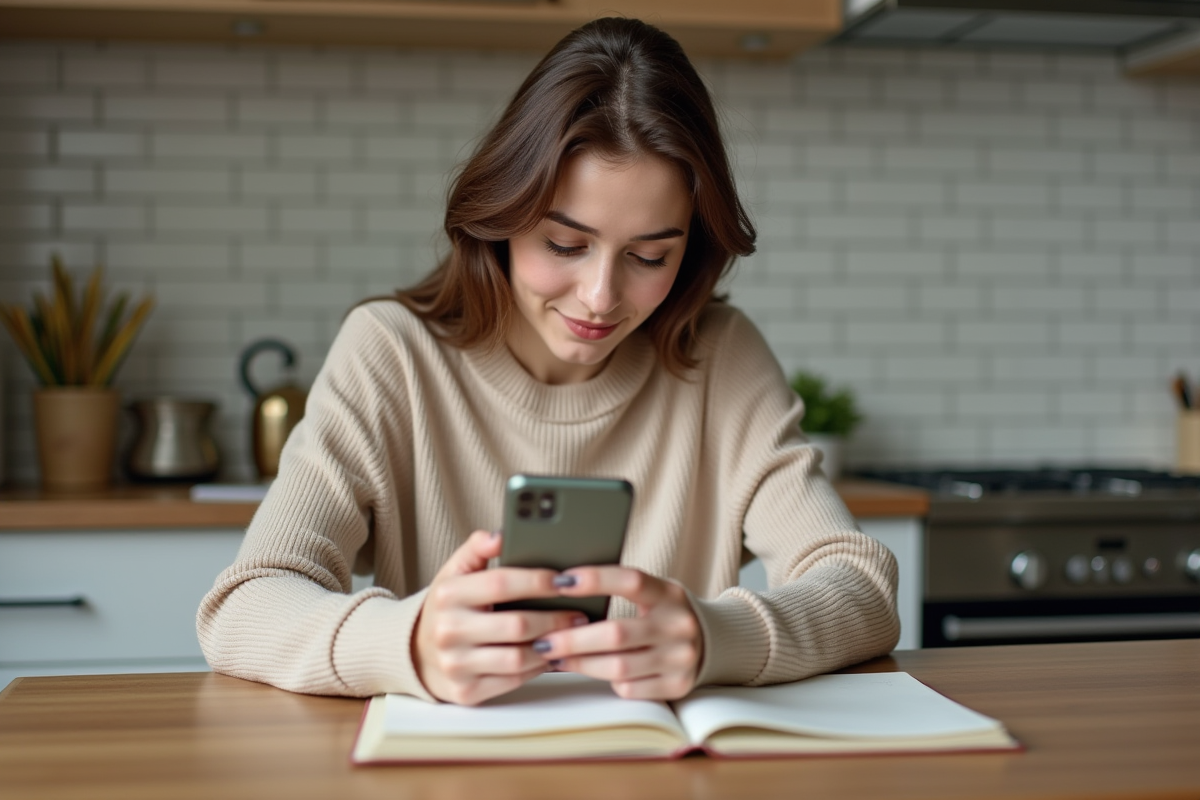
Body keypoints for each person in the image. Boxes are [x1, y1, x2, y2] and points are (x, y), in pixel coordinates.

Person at [197, 17, 899, 706]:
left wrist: (718, 637)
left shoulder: (719, 355)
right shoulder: (392, 352)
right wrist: (410, 644)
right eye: (565, 245)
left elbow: (861, 585)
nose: (600, 297)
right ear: (502, 217)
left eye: (650, 256)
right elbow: (244, 606)